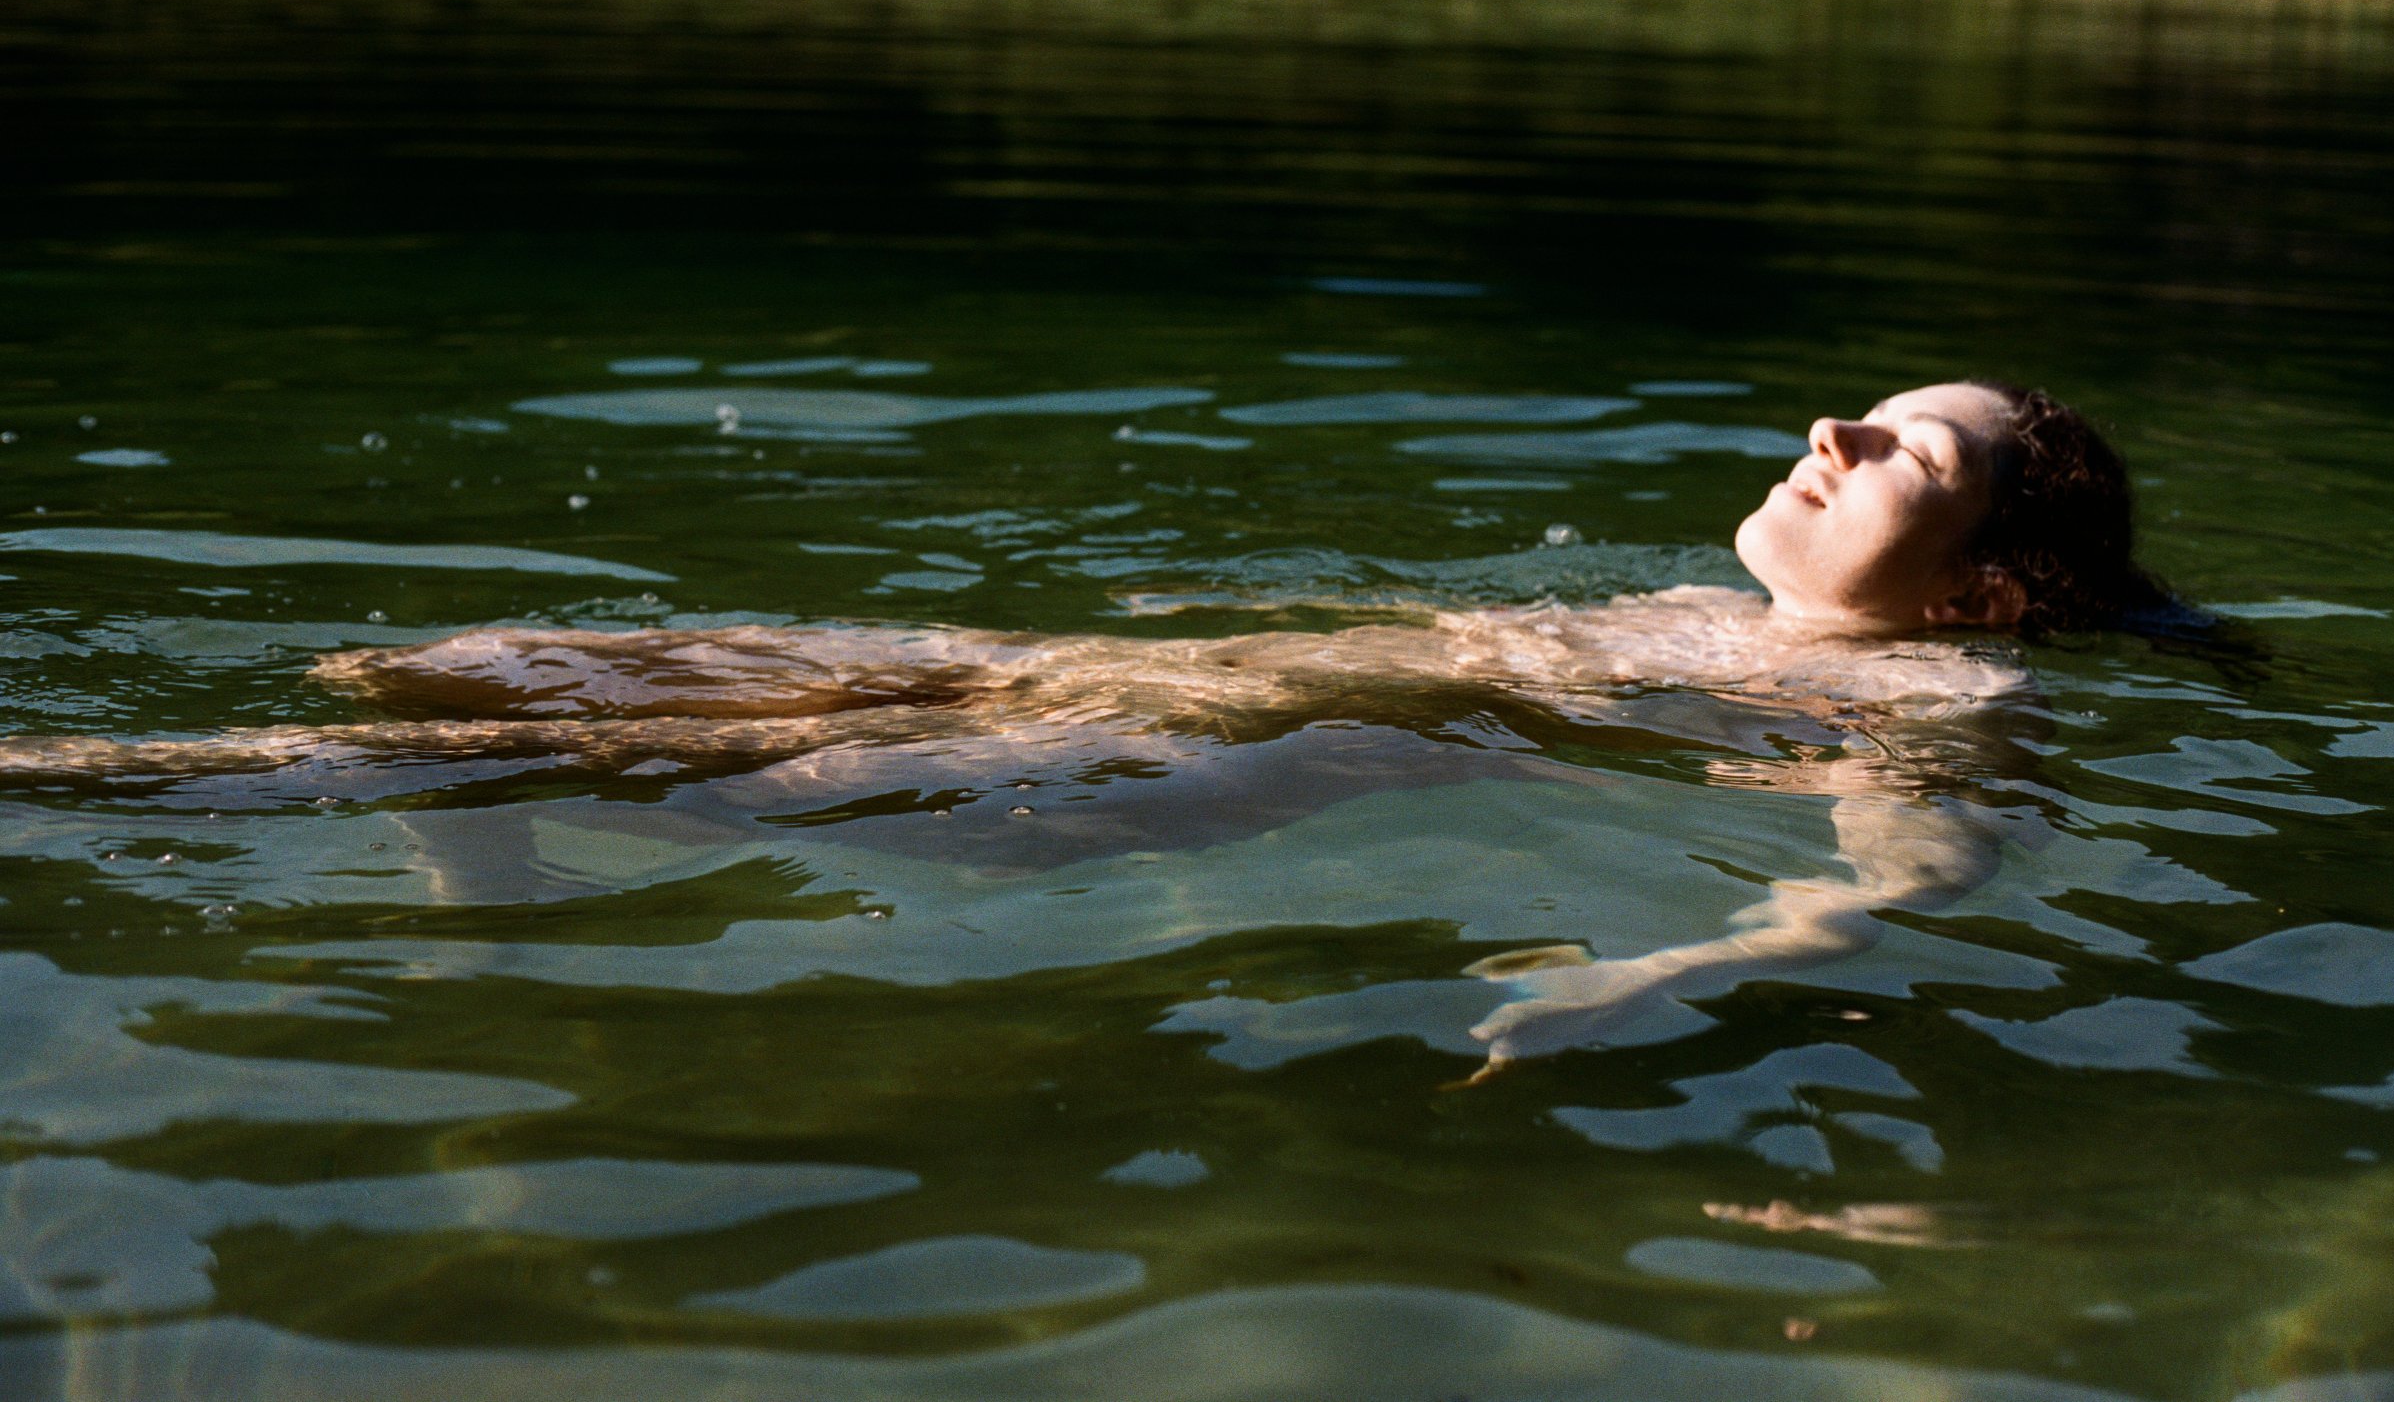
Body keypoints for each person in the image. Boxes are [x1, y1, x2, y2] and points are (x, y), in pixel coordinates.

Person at [0, 381, 2167, 1073]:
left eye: (1910, 453)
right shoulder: (1715, 616)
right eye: (1866, 403)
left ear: (1987, 585)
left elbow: (1919, 870)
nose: (1833, 428)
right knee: (476, 665)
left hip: (1168, 770)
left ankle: (85, 784)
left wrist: (1662, 969)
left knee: (498, 739)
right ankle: (493, 894)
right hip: (1080, 676)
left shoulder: (1935, 685)